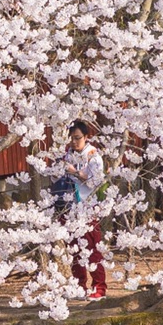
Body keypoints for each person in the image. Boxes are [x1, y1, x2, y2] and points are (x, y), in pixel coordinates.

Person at [56, 118, 107, 299]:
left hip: (88, 208)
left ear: (86, 137)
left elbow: (95, 182)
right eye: (72, 138)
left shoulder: (93, 156)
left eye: (78, 138)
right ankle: (79, 287)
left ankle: (99, 288)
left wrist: (75, 172)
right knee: (74, 250)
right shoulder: (67, 155)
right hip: (69, 208)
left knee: (92, 250)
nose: (74, 142)